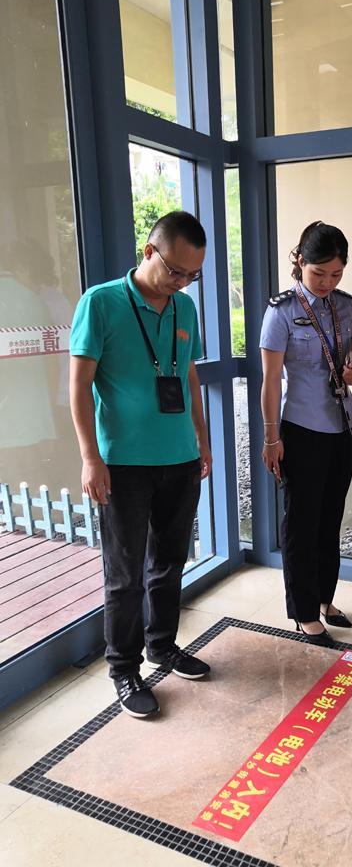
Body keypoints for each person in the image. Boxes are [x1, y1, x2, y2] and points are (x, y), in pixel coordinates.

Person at [69, 211, 212, 719]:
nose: (182, 282)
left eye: (193, 275)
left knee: (169, 562)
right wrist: (90, 457)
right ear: (149, 251)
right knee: (124, 573)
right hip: (124, 464)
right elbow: (79, 386)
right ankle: (124, 668)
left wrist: (202, 439)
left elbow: (189, 375)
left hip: (180, 458)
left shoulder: (184, 307)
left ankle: (162, 645)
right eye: (176, 271)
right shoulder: (101, 302)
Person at [259, 221, 352, 645]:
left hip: (343, 424)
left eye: (336, 274)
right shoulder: (281, 311)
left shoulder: (344, 306)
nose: (327, 282)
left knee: (330, 516)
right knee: (301, 522)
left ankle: (324, 598)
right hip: (301, 429)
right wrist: (271, 438)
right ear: (300, 261)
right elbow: (270, 381)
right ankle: (303, 611)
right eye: (319, 273)